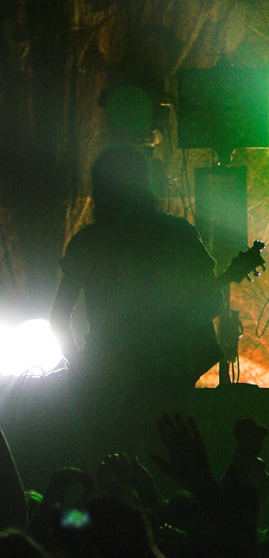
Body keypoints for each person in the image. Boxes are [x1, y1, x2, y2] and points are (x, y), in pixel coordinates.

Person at [50, 145, 232, 401]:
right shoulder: (178, 234)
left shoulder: (88, 241)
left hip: (106, 376)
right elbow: (212, 304)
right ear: (144, 184)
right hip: (168, 374)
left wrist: (82, 366)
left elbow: (58, 317)